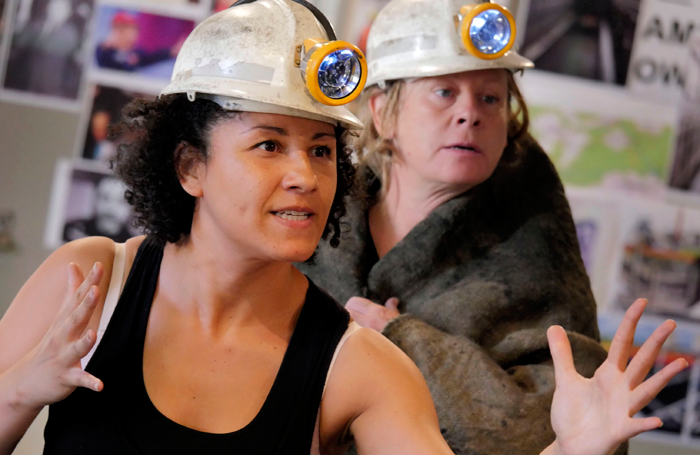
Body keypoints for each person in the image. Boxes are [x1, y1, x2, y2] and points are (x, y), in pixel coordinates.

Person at [0, 1, 687, 454]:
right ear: (190, 165)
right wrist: (18, 391)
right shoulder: (88, 283)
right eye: (269, 144)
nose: (306, 174)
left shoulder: (359, 363)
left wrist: (571, 449)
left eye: (323, 150)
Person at [297, 0, 644, 453]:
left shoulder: (535, 251)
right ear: (383, 112)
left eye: (490, 97)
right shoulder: (311, 221)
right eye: (444, 92)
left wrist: (405, 340)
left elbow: (562, 427)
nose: (470, 113)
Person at [95, 11, 183, 72]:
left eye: (135, 30)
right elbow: (105, 66)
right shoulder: (104, 51)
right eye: (129, 30)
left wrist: (171, 52)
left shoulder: (135, 53)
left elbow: (151, 57)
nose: (133, 36)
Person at [63, 175, 133, 243]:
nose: (111, 208)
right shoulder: (70, 231)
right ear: (95, 199)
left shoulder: (135, 247)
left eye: (120, 202)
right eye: (105, 198)